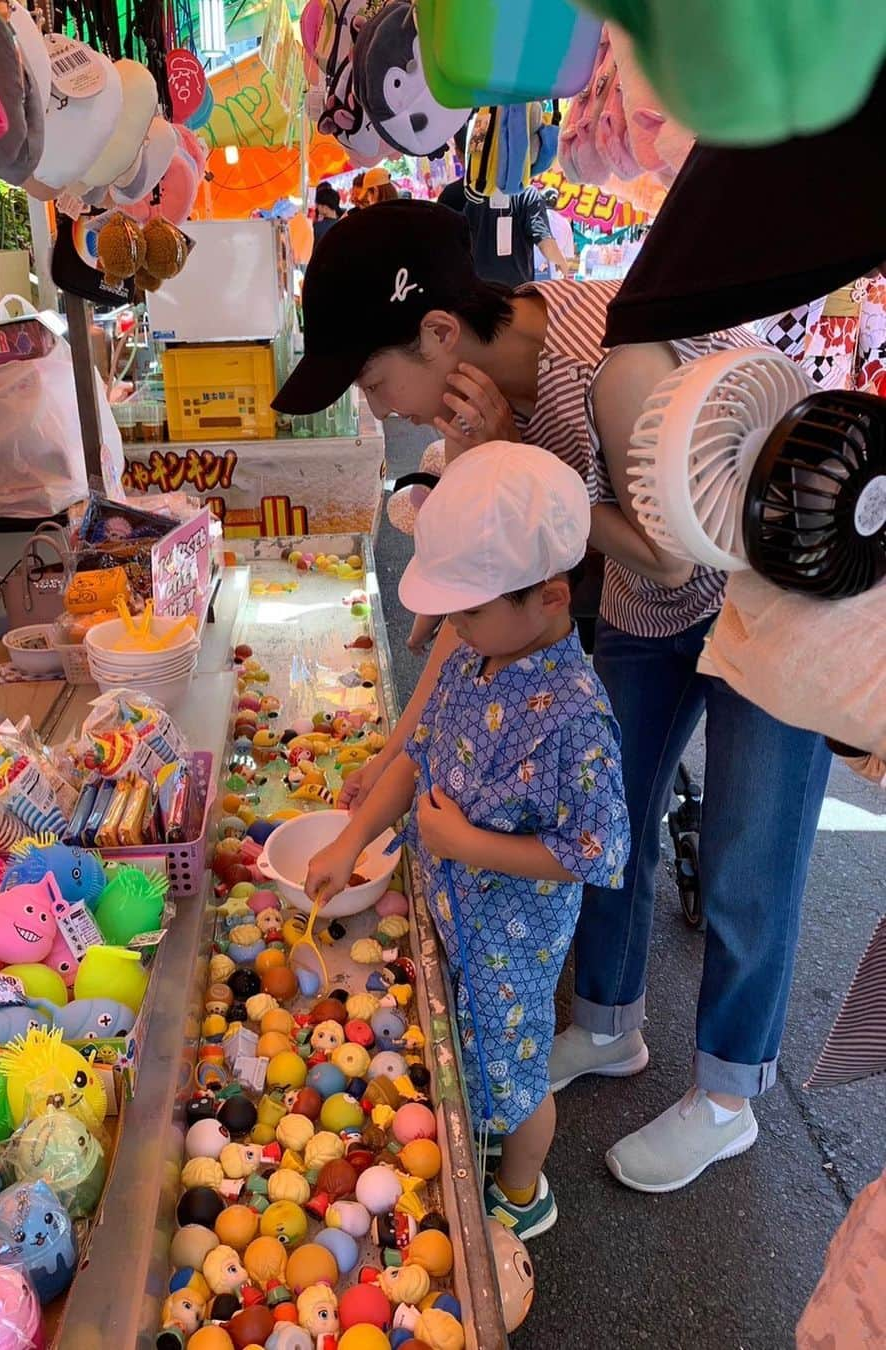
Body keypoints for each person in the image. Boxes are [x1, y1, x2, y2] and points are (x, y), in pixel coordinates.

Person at [272, 200, 832, 1193]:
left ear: (439, 334)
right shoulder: (476, 411)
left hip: (769, 595)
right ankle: (609, 1026)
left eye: (373, 379)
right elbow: (470, 619)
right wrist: (390, 765)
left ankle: (728, 1094)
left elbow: (665, 553)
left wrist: (529, 464)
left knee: (751, 852)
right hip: (653, 606)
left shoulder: (610, 365)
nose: (379, 408)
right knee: (617, 810)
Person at [305, 441, 630, 1239]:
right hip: (455, 911)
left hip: (512, 940)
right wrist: (352, 840)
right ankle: (479, 1144)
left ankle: (524, 1195)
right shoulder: (475, 657)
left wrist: (469, 845)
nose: (452, 625)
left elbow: (599, 851)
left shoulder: (575, 717)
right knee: (469, 1050)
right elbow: (417, 759)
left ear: (551, 597)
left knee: (517, 1080)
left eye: (470, 609)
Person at [438, 176, 572, 286]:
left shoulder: (471, 193)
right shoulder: (528, 194)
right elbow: (545, 243)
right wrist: (561, 263)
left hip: (478, 290)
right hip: (516, 293)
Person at [533, 186, 576, 280]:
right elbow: (569, 255)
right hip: (554, 278)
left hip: (532, 273)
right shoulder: (565, 223)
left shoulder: (536, 219)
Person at [313, 182, 343, 248]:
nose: (316, 207)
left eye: (318, 205)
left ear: (325, 207)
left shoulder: (316, 228)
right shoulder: (344, 224)